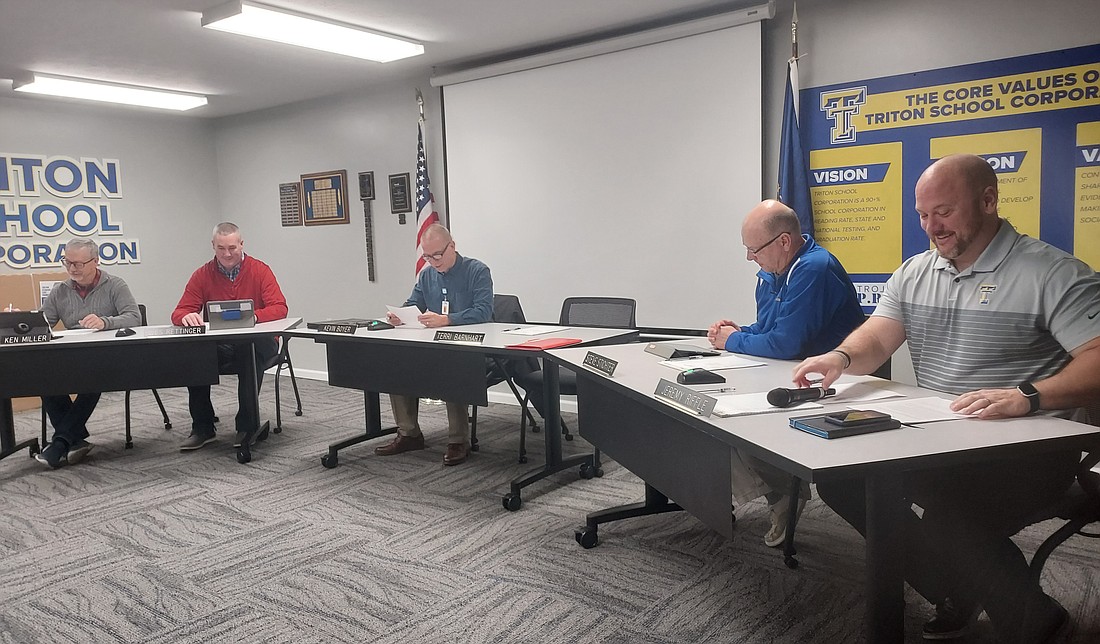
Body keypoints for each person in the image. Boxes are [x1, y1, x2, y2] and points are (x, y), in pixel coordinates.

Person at [791, 154, 1100, 643]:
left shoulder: (1050, 272)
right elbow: (877, 336)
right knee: (845, 480)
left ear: (989, 201)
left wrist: (1028, 395)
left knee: (948, 507)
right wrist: (840, 358)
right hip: (937, 437)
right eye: (922, 214)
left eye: (945, 212)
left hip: (1028, 449)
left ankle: (1035, 621)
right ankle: (955, 586)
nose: (932, 226)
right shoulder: (916, 272)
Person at [706, 199, 865, 548]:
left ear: (783, 242)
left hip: (832, 385)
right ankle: (776, 494)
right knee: (708, 411)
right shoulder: (770, 274)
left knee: (730, 418)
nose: (750, 258)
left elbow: (786, 344)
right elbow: (767, 330)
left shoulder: (814, 268)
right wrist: (735, 332)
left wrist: (734, 341)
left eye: (754, 249)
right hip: (785, 375)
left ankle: (781, 494)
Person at [376, 223, 493, 466]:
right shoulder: (427, 274)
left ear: (452, 246)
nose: (433, 261)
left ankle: (459, 440)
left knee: (452, 368)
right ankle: (409, 434)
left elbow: (484, 312)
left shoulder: (477, 270)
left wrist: (448, 320)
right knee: (395, 365)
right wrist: (399, 316)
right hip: (432, 346)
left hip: (469, 348)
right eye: (427, 256)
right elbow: (413, 303)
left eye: (437, 255)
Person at [171, 222, 288, 451]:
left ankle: (247, 425)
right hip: (222, 344)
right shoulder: (202, 275)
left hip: (259, 343)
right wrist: (186, 317)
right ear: (213, 246)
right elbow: (180, 310)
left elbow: (280, 307)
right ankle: (203, 427)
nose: (227, 254)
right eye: (221, 248)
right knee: (194, 354)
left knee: (248, 351)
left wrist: (253, 316)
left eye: (232, 248)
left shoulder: (260, 270)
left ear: (242, 244)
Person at [33, 238, 142, 468]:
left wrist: (105, 322)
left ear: (96, 261)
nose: (73, 268)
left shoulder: (115, 285)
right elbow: (42, 323)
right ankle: (74, 439)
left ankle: (60, 442)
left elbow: (134, 317)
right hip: (73, 355)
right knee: (43, 376)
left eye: (79, 264)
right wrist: (21, 321)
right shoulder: (60, 291)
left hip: (108, 356)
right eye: (68, 262)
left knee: (92, 377)